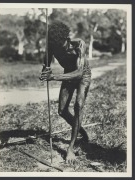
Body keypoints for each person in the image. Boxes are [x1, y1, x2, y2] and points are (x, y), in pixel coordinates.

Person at [40, 21, 91, 163]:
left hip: (82, 76)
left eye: (60, 46)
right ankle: (80, 130)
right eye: (54, 46)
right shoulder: (53, 44)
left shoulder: (79, 45)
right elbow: (47, 58)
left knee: (78, 105)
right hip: (68, 74)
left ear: (67, 40)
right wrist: (46, 69)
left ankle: (71, 148)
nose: (58, 50)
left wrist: (54, 77)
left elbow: (79, 73)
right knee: (62, 111)